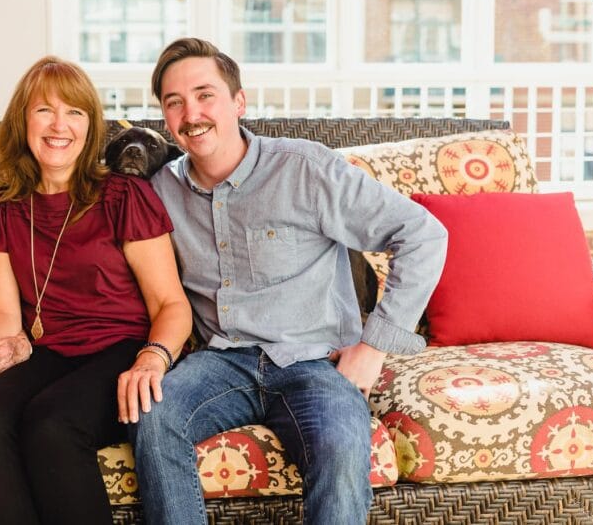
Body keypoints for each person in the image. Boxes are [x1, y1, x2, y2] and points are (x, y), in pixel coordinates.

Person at [130, 38, 449, 525]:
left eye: (204, 94)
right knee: (153, 415)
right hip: (221, 363)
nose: (191, 112)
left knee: (343, 447)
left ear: (239, 102)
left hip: (315, 363)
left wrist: (374, 347)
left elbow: (423, 234)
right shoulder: (161, 191)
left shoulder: (305, 169)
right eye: (174, 102)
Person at [0, 56, 192, 525]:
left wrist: (151, 358)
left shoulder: (123, 196)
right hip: (46, 351)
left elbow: (171, 304)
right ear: (22, 121)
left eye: (74, 112)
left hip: (121, 349)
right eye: (45, 111)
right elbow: (1, 311)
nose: (60, 125)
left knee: (51, 425)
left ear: (90, 126)